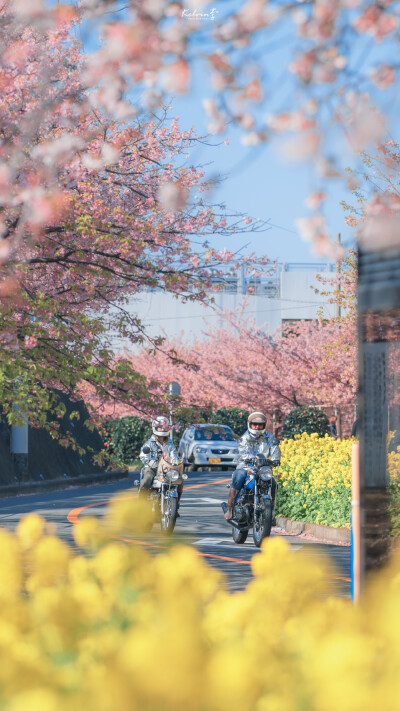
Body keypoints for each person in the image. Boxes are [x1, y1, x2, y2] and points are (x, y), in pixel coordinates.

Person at [223, 411, 281, 521]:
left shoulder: (269, 437)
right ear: (250, 425)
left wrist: (275, 460)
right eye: (255, 425)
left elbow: (275, 448)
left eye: (260, 425)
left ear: (264, 425)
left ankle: (272, 512)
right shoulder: (244, 438)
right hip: (246, 466)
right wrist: (251, 458)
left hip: (263, 468)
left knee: (273, 484)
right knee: (239, 476)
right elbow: (242, 450)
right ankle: (230, 508)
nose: (257, 427)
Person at [139, 415, 183, 504]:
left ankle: (176, 503)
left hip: (166, 469)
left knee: (179, 479)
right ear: (155, 428)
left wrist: (176, 461)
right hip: (152, 468)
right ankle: (141, 501)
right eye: (160, 427)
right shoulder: (149, 443)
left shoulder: (170, 444)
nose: (162, 429)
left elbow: (173, 455)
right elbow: (143, 455)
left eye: (164, 427)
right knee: (147, 478)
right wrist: (150, 462)